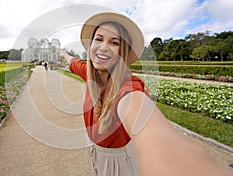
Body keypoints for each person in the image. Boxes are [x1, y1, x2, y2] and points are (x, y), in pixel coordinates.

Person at [60, 12, 231, 176]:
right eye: (98, 39)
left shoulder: (129, 88)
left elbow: (152, 132)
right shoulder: (90, 74)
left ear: (123, 52)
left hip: (116, 159)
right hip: (92, 147)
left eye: (114, 42)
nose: (104, 47)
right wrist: (63, 54)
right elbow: (73, 62)